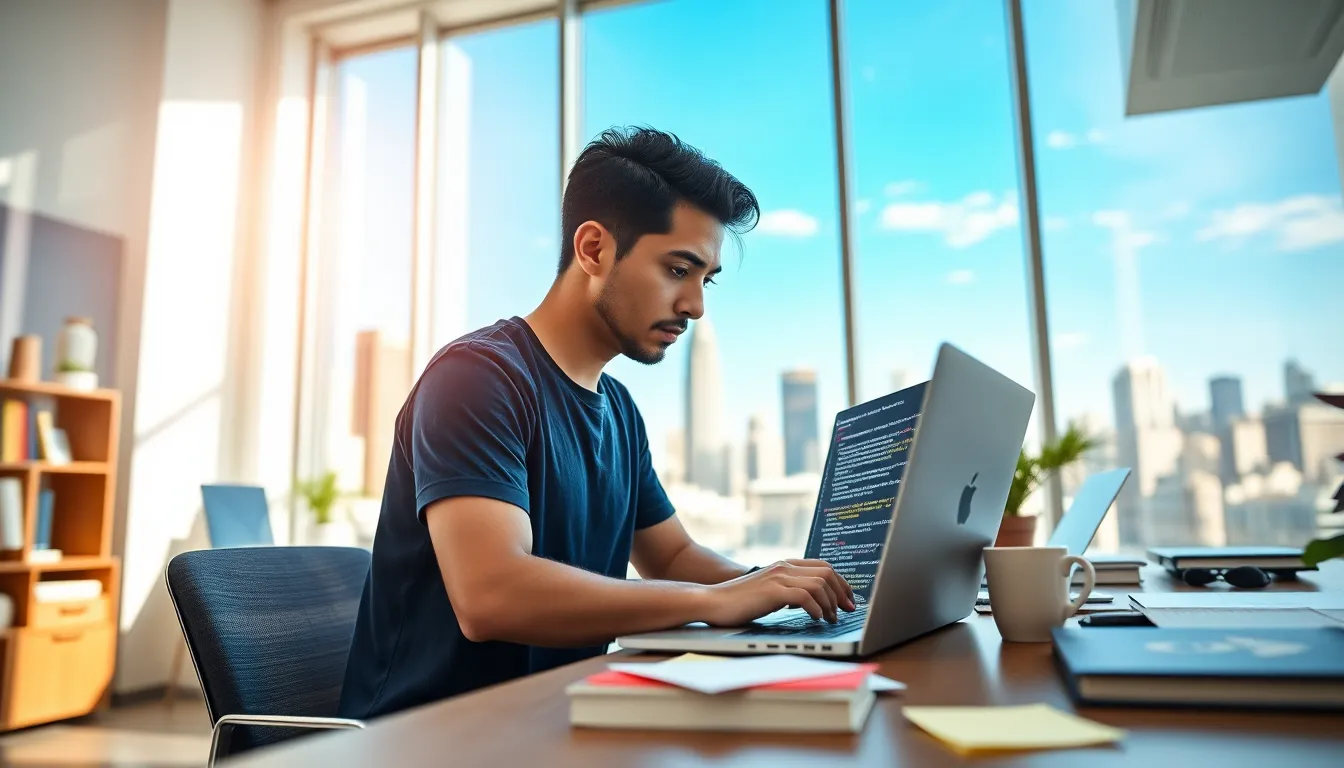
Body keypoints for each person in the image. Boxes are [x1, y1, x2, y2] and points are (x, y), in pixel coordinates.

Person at [338, 126, 855, 720]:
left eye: (705, 280)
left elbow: (674, 556)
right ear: (593, 250)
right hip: (429, 742)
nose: (695, 305)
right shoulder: (477, 379)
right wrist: (716, 602)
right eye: (678, 269)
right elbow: (491, 595)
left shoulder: (620, 411)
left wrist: (780, 588)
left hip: (558, 722)